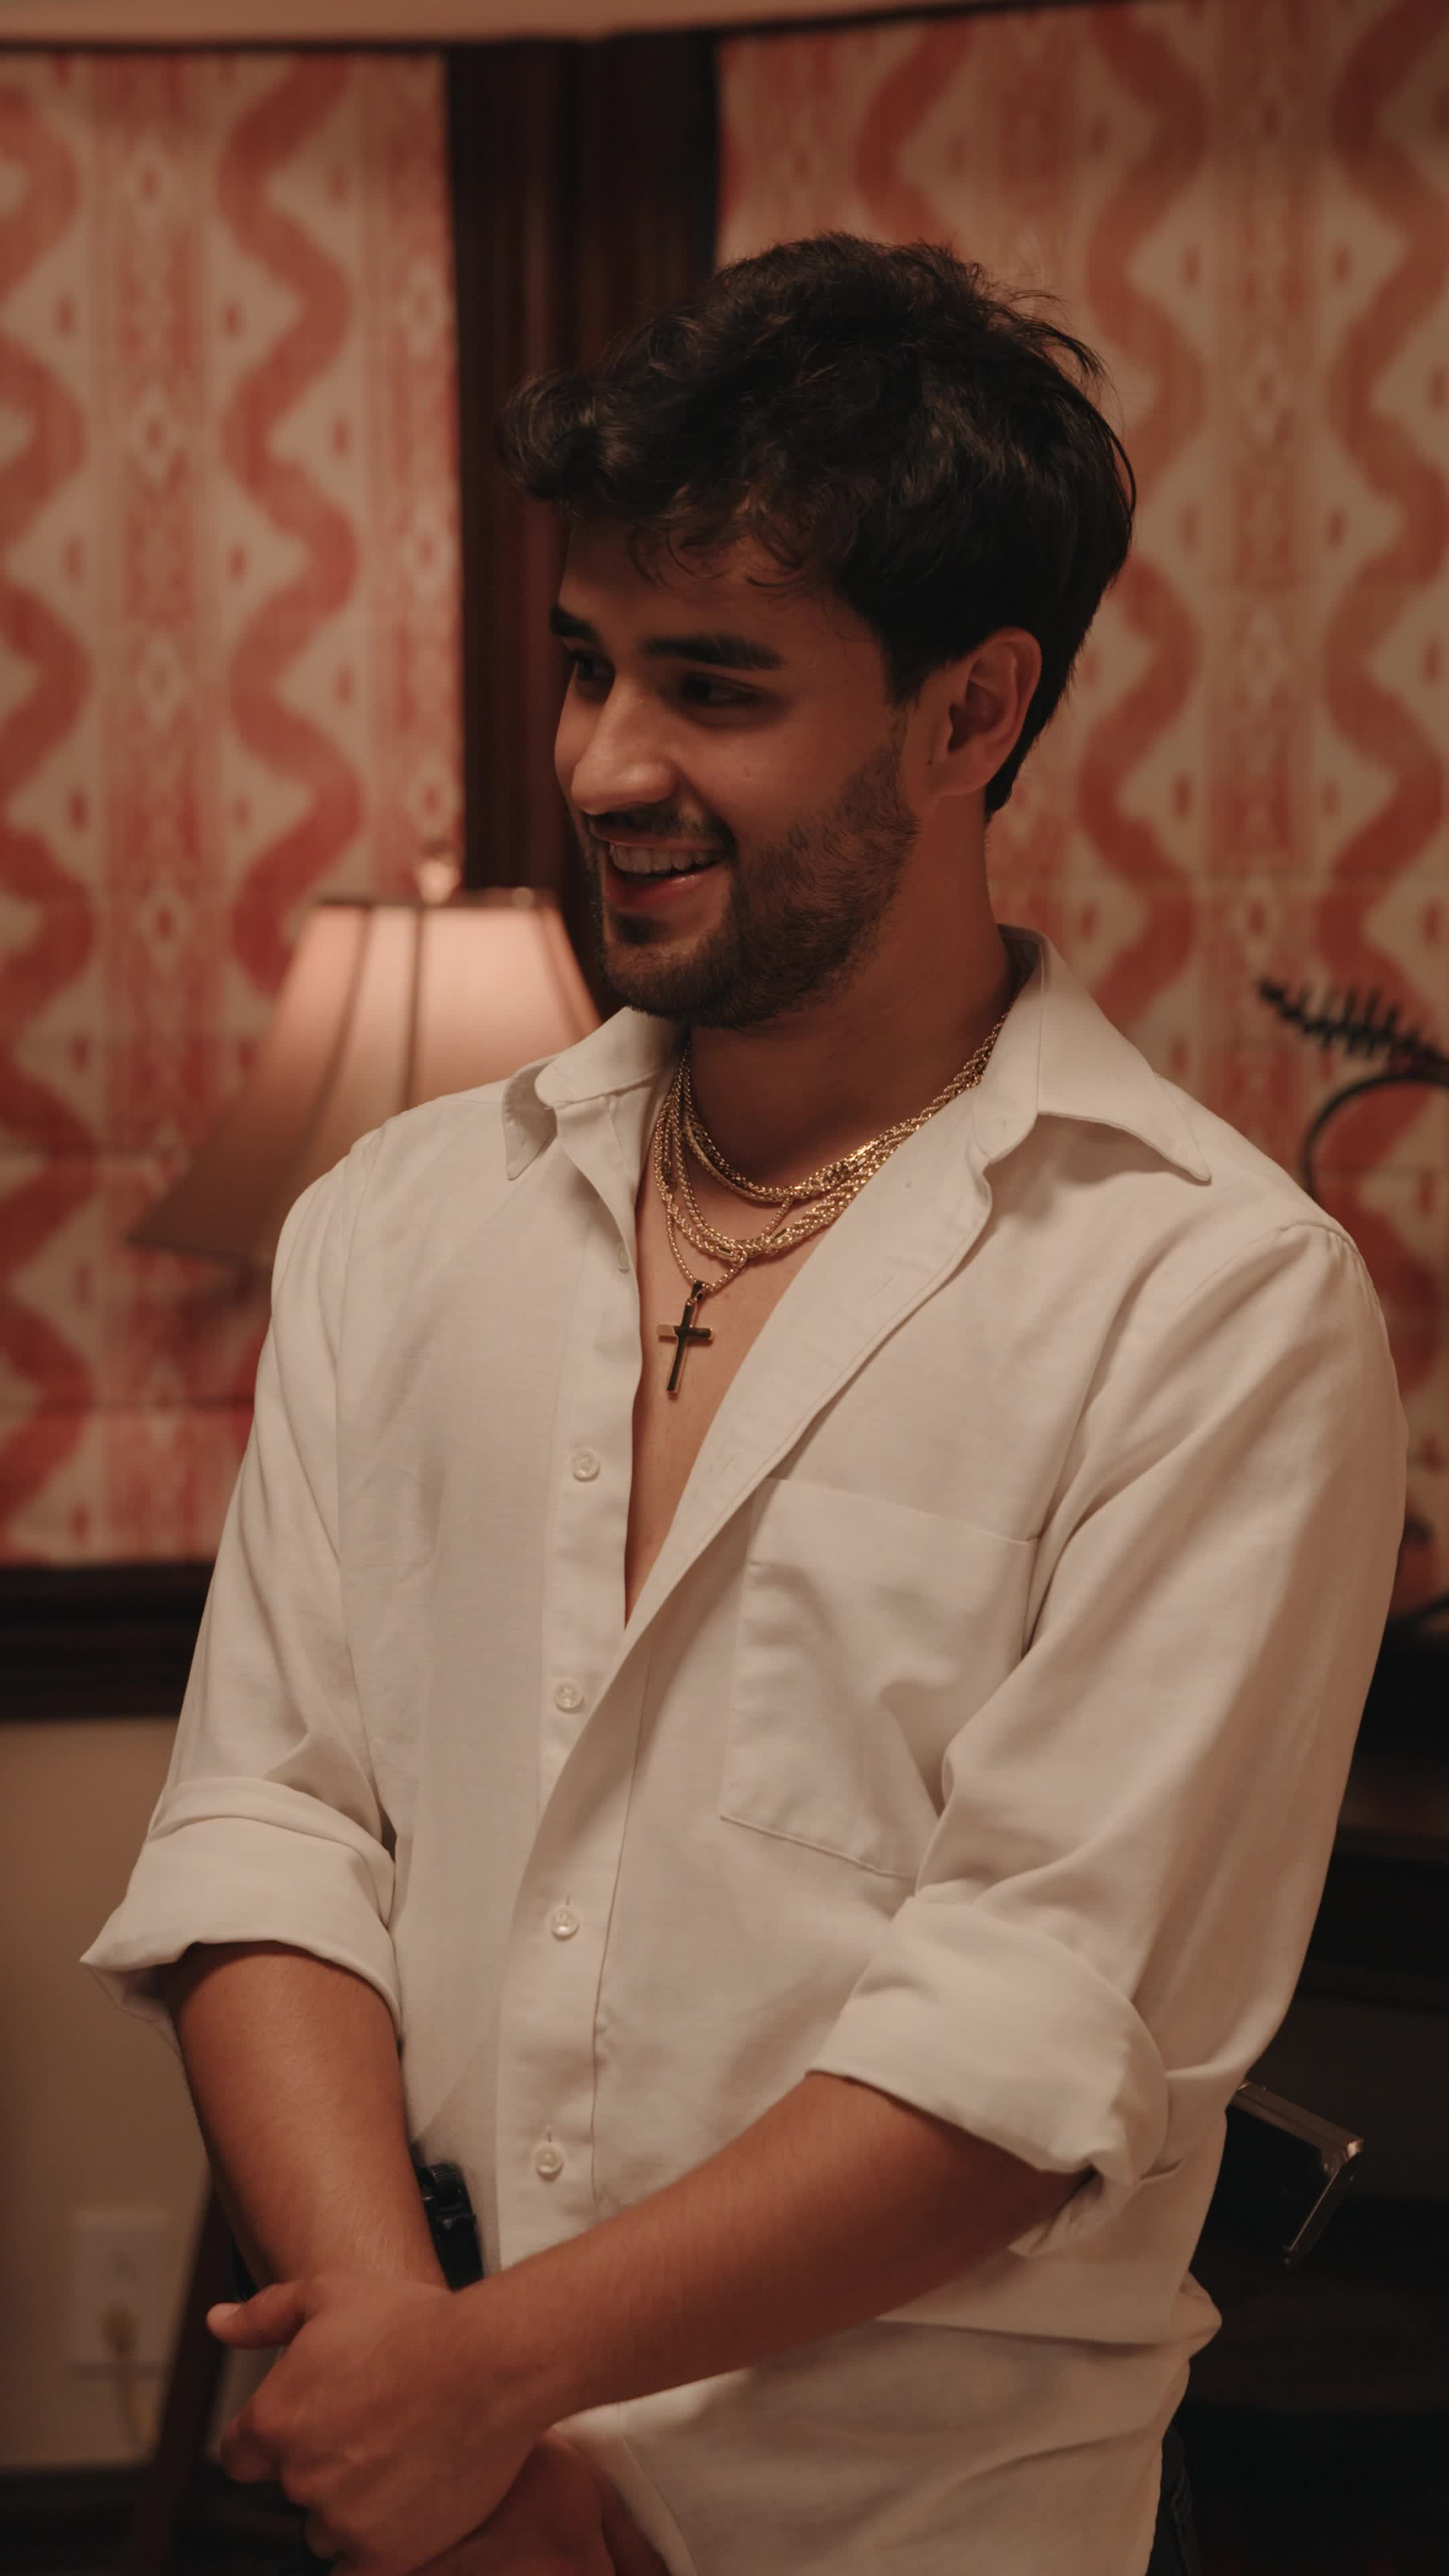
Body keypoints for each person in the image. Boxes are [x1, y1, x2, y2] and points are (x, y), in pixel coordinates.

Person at [85, 235, 1404, 2576]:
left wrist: (492, 2379)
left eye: (712, 685)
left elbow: (1018, 2038)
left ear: (972, 712)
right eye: (588, 664)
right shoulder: (396, 1222)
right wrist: (428, 2398)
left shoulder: (1213, 1301)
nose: (606, 762)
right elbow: (269, 1831)